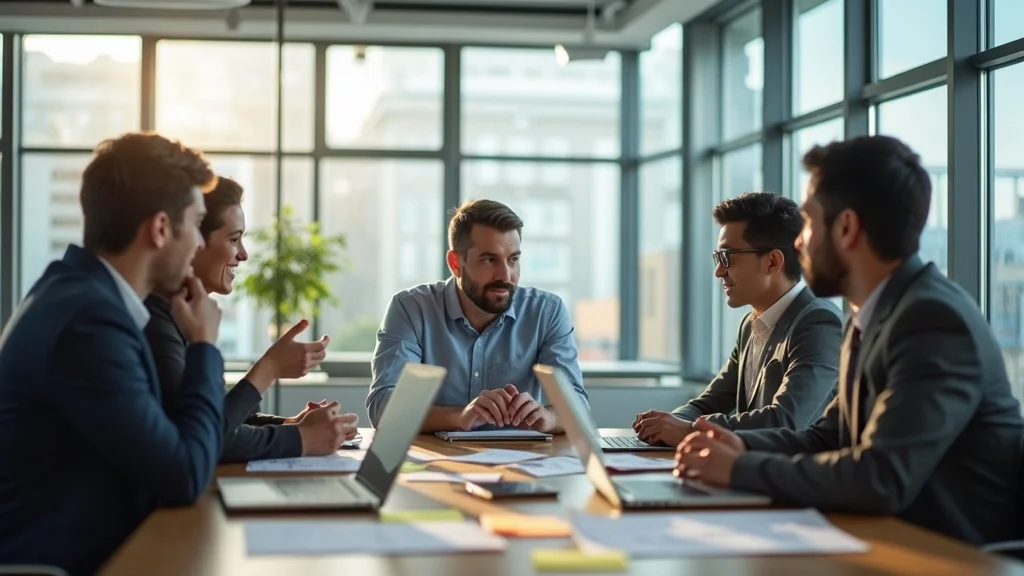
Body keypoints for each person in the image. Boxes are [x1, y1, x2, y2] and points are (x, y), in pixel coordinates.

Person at [674, 135, 1024, 546]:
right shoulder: (875, 315)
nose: (799, 242)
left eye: (807, 223)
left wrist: (738, 469)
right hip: (886, 541)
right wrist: (736, 443)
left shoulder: (932, 320)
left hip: (949, 556)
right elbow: (828, 437)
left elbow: (881, 477)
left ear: (846, 227)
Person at [0, 133, 225, 574]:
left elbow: (167, 439)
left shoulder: (78, 295)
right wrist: (202, 345)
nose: (200, 243)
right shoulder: (89, 323)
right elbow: (183, 475)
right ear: (160, 228)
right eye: (197, 223)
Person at [144, 176, 358, 462]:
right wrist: (269, 369)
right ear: (195, 241)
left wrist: (288, 425)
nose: (243, 254)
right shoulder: (155, 322)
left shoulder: (184, 314)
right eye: (234, 239)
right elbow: (206, 437)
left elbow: (213, 415)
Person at [632, 192, 842, 446]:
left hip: (794, 480)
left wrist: (688, 431)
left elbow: (785, 420)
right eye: (718, 258)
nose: (719, 271)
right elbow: (709, 402)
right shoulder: (750, 325)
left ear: (773, 261)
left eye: (727, 257)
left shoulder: (819, 322)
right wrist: (663, 428)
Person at [367, 199, 588, 433]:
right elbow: (383, 408)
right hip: (437, 464)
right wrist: (461, 416)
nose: (505, 274)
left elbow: (577, 405)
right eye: (489, 260)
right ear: (455, 263)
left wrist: (549, 418)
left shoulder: (546, 312)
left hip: (522, 462)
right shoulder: (411, 308)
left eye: (513, 259)